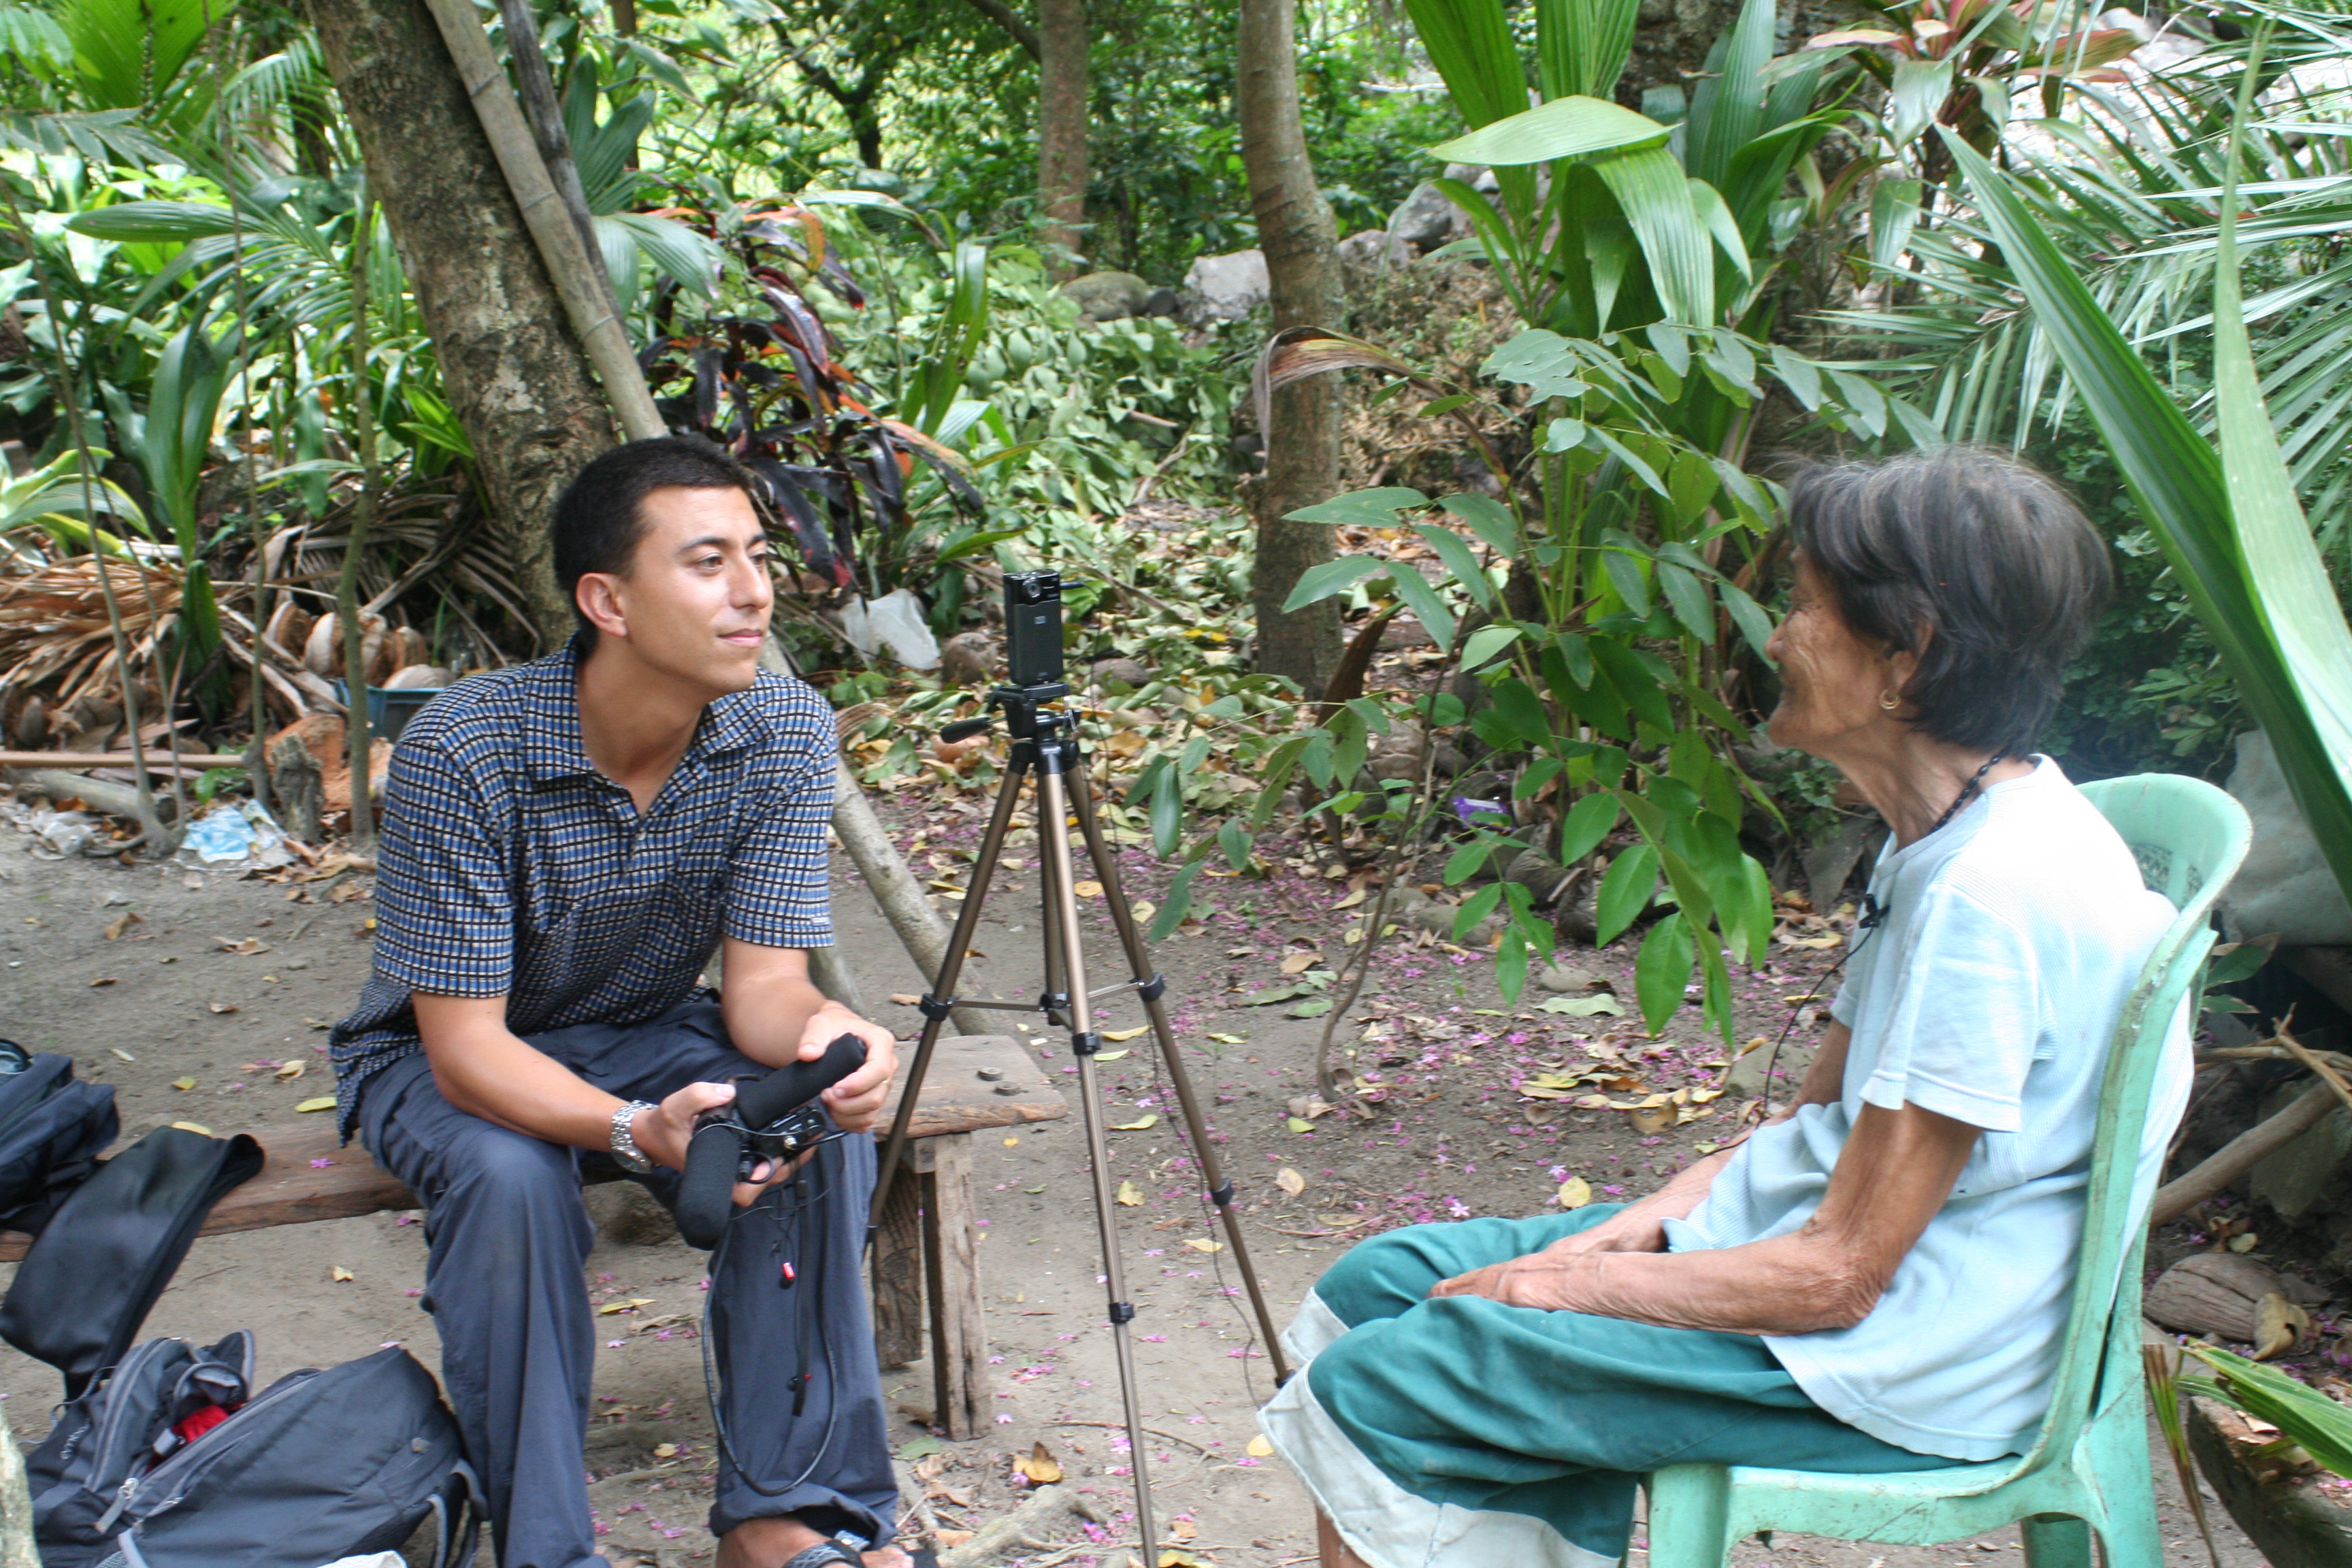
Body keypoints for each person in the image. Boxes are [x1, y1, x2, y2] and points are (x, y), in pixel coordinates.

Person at [1262, 446, 2182, 1568]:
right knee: (1376, 1289)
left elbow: (1840, 1275)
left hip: (1901, 1360)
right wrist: (1647, 1218)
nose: (1776, 638)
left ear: (1908, 656)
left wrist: (1577, 1284)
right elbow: (1815, 1120)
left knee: (1390, 1388)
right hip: (1821, 1265)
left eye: (1804, 606)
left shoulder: (1991, 898)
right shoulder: (1948, 836)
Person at [330, 438, 908, 1568]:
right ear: (609, 602)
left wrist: (830, 1040)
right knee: (511, 1183)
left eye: (758, 556)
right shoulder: (465, 746)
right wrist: (635, 1130)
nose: (754, 591)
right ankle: (546, 1549)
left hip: (647, 1027)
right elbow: (463, 1048)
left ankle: (787, 1517)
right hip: (440, 1053)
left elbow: (764, 990)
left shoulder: (784, 728)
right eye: (707, 562)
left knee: (812, 1125)